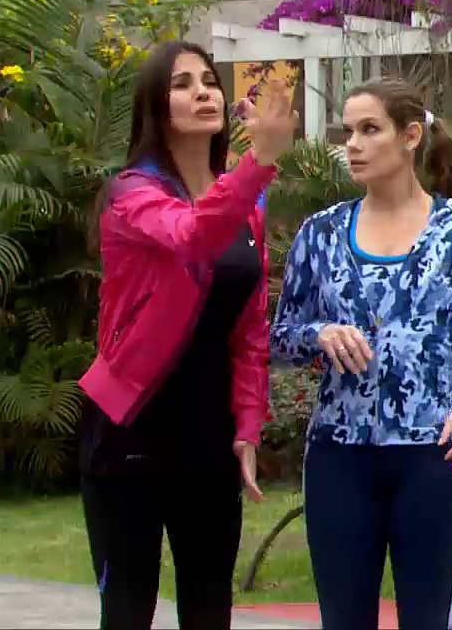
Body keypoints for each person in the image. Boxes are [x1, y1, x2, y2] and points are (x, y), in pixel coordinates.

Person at [77, 40, 296, 630]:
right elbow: (192, 236)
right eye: (182, 84)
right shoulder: (131, 195)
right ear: (156, 106)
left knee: (209, 609)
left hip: (208, 437)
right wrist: (258, 163)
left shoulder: (246, 205)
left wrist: (246, 426)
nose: (203, 92)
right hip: (129, 433)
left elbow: (249, 330)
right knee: (128, 611)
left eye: (209, 81)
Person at [270, 78, 452, 630]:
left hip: (434, 455)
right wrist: (319, 333)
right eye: (347, 131)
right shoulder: (321, 234)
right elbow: (278, 338)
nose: (352, 144)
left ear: (410, 136)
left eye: (369, 129)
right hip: (338, 457)